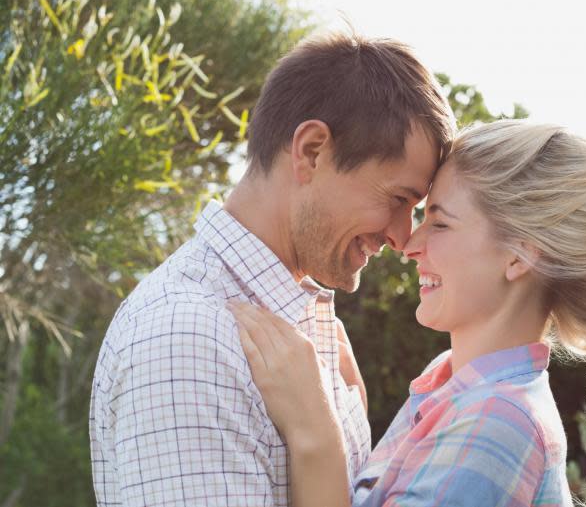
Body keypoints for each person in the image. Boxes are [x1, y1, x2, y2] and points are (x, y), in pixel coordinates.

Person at [88, 32, 456, 507]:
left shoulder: (302, 328)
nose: (402, 238)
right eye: (398, 200)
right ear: (312, 151)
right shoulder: (186, 337)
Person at [230, 120, 586, 507]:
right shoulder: (452, 386)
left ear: (518, 257)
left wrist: (315, 431)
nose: (409, 245)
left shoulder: (498, 422)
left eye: (440, 223)